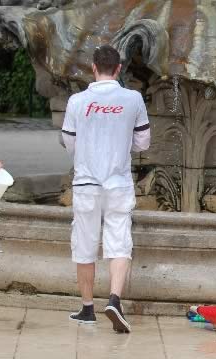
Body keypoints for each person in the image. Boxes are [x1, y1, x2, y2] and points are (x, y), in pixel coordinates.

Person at [61, 45, 151, 333]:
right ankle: (114, 300)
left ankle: (88, 309)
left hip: (86, 184)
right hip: (118, 183)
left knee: (84, 245)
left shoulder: (77, 101)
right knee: (119, 241)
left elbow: (70, 143)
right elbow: (143, 143)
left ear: (93, 67)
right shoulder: (133, 99)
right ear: (118, 68)